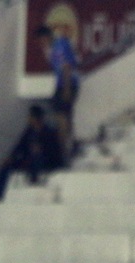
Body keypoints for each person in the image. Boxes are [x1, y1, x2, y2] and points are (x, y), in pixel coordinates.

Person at [0, 104, 64, 200]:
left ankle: (34, 180)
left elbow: (54, 152)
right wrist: (10, 157)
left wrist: (41, 150)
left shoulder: (49, 132)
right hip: (28, 160)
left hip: (46, 162)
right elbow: (19, 147)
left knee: (37, 157)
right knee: (7, 165)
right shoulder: (29, 131)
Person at [35, 25, 80, 161]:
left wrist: (66, 88)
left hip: (68, 83)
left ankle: (66, 149)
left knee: (61, 115)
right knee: (64, 115)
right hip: (61, 84)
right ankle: (69, 145)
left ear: (47, 36)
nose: (41, 43)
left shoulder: (59, 45)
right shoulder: (50, 49)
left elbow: (66, 67)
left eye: (42, 40)